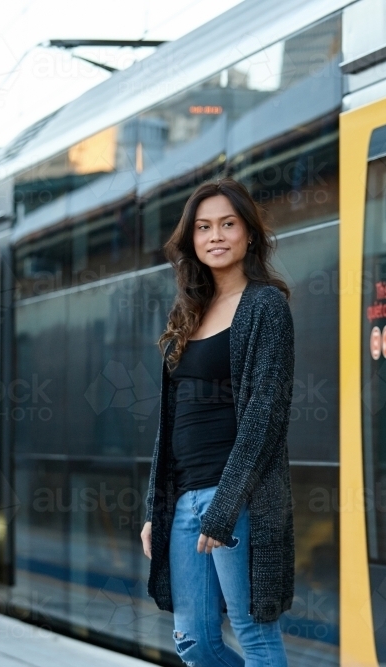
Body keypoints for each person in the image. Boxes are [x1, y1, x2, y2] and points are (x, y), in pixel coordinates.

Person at [141, 178, 296, 667]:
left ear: (249, 234)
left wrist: (226, 505)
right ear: (191, 240)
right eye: (204, 227)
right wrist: (156, 508)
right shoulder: (189, 312)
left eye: (228, 224)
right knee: (195, 642)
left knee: (254, 635)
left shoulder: (265, 306)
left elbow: (265, 416)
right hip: (185, 498)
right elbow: (169, 427)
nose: (216, 236)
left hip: (239, 497)